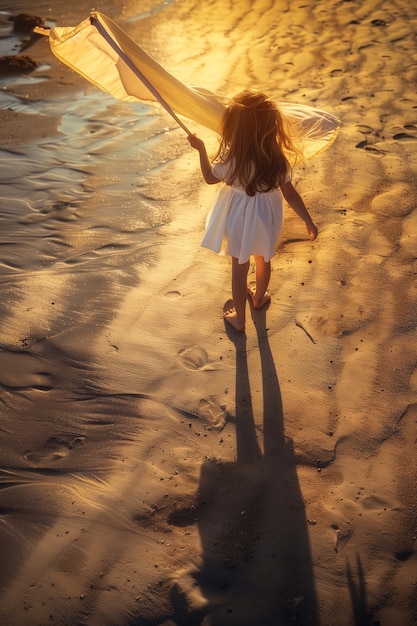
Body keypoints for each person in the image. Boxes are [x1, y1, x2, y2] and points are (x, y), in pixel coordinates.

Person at [187, 89, 318, 333]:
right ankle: (258, 297)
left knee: (239, 265)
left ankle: (240, 319)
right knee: (263, 257)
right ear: (270, 127)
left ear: (235, 129)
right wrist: (307, 219)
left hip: (238, 216)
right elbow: (290, 194)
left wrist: (201, 149)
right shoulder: (276, 159)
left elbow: (208, 177)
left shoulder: (231, 158)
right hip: (267, 216)